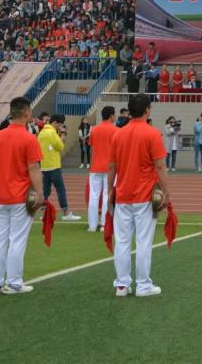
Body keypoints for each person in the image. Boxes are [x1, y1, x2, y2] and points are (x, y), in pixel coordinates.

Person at [108, 93, 170, 297]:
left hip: (123, 195)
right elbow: (160, 165)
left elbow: (112, 166)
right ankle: (143, 285)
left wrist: (109, 190)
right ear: (147, 110)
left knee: (122, 241)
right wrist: (166, 192)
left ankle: (122, 285)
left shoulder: (118, 134)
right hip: (144, 196)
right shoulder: (152, 134)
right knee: (143, 242)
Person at [0, 96, 44, 295]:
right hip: (19, 197)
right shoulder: (29, 139)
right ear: (26, 113)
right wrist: (40, 193)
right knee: (17, 239)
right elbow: (34, 168)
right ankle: (14, 282)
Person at [37, 114, 80, 221]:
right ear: (55, 122)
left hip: (44, 166)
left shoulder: (42, 132)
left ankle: (44, 213)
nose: (60, 127)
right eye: (60, 124)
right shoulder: (52, 132)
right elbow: (60, 146)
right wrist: (63, 135)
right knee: (60, 189)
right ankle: (66, 213)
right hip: (54, 166)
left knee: (45, 191)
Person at [87, 106, 116, 232]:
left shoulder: (94, 129)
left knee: (93, 196)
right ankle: (105, 224)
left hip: (95, 167)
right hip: (110, 168)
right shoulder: (116, 130)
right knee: (107, 195)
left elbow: (91, 146)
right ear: (111, 116)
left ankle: (92, 225)